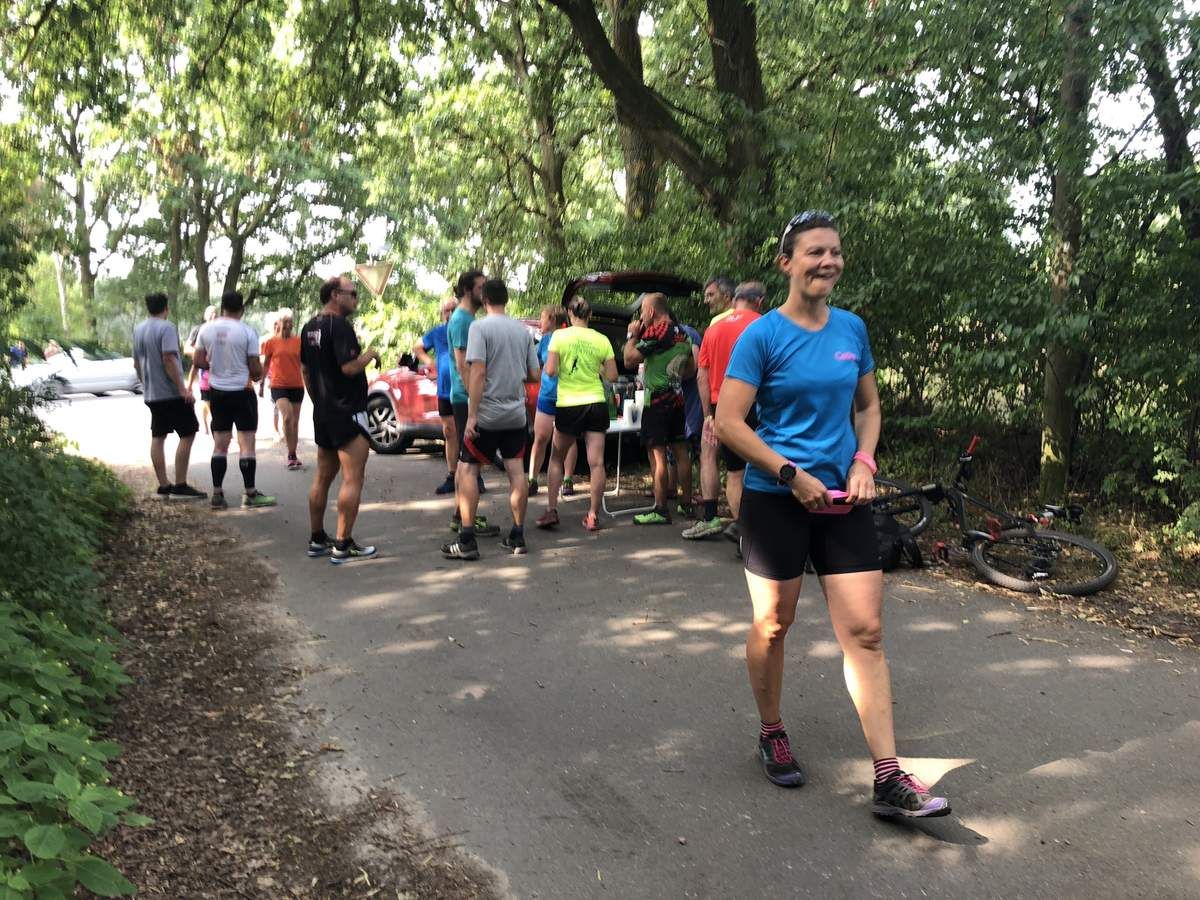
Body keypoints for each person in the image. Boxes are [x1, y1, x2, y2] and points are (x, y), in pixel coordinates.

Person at [716, 210, 949, 818]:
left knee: (866, 633)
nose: (828, 261)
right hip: (777, 501)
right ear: (786, 263)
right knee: (774, 623)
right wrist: (791, 476)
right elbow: (729, 422)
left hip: (845, 502)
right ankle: (771, 730)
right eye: (814, 251)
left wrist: (864, 460)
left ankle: (889, 778)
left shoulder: (852, 328)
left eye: (835, 252)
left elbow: (868, 408)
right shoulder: (761, 336)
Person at [442, 278, 540, 560]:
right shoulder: (522, 331)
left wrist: (472, 415)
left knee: (468, 469)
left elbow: (478, 373)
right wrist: (513, 373)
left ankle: (467, 539)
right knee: (516, 472)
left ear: (484, 300)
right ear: (506, 299)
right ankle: (517, 535)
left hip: (487, 414)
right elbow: (535, 374)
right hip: (515, 415)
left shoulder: (479, 328)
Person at [300, 275, 379, 564]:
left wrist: (318, 401)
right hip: (348, 412)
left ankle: (317, 538)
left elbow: (305, 370)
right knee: (352, 477)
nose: (356, 299)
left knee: (322, 476)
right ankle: (343, 544)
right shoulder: (340, 326)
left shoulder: (309, 327)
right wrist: (370, 354)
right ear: (335, 294)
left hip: (324, 412)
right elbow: (349, 367)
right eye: (353, 293)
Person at [682, 281, 764, 541]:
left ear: (735, 298)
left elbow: (702, 376)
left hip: (722, 407)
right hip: (758, 404)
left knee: (732, 470)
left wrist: (708, 414)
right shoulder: (765, 325)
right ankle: (756, 534)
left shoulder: (714, 329)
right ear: (760, 301)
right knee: (762, 468)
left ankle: (733, 529)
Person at [536, 295, 617, 532]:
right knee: (597, 462)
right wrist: (596, 367)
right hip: (595, 403)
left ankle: (552, 510)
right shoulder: (602, 339)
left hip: (569, 404)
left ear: (570, 314)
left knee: (556, 457)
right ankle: (592, 515)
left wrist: (563, 367)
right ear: (590, 315)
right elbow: (612, 376)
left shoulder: (559, 337)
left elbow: (550, 371)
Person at [194, 290, 276, 510]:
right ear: (242, 309)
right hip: (242, 391)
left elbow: (198, 360)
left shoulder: (206, 329)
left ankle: (217, 495)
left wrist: (216, 366)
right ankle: (249, 494)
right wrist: (256, 374)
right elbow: (255, 369)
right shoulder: (247, 332)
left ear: (222, 307)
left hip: (217, 391)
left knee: (220, 444)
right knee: (246, 444)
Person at [623, 292, 695, 525]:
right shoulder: (683, 333)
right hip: (677, 400)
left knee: (658, 455)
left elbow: (629, 360)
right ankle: (686, 504)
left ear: (652, 311)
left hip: (656, 402)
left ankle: (661, 509)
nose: (641, 316)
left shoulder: (657, 331)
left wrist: (632, 335)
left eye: (642, 311)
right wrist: (672, 377)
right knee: (681, 452)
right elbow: (691, 369)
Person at [132, 292, 206, 501]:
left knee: (158, 436)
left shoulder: (138, 330)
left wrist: (146, 384)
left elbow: (136, 363)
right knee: (188, 432)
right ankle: (180, 485)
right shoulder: (167, 328)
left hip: (152, 393)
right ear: (166, 308)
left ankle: (164, 485)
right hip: (170, 393)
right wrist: (182, 389)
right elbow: (168, 358)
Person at [446, 269, 494, 534]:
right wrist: (475, 403)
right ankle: (466, 518)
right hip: (465, 399)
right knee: (470, 463)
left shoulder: (468, 319)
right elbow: (464, 365)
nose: (484, 292)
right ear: (467, 290)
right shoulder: (463, 321)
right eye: (480, 287)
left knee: (467, 462)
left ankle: (460, 514)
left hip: (465, 399)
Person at [526, 304, 578, 498]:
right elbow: (536, 366)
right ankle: (532, 480)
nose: (540, 321)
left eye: (542, 317)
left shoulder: (570, 339)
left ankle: (568, 479)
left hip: (567, 396)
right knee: (540, 438)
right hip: (546, 396)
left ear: (552, 319)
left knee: (569, 440)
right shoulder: (545, 341)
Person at [414, 298, 459, 494]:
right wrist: (431, 363)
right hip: (444, 390)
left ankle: (474, 476)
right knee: (449, 432)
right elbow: (417, 347)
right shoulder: (438, 332)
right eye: (446, 311)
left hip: (465, 390)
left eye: (453, 309)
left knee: (467, 432)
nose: (450, 314)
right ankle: (452, 475)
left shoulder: (468, 329)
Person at [261, 309, 304, 469]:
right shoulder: (271, 342)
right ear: (278, 323)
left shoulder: (299, 341)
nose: (287, 325)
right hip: (278, 385)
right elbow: (266, 364)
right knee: (287, 417)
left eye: (290, 321)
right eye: (284, 321)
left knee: (295, 422)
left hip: (297, 385)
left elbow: (305, 364)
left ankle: (293, 454)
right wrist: (261, 384)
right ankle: (290, 455)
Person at [185, 305, 218, 434]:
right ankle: (214, 425)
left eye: (216, 313)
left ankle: (210, 422)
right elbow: (187, 348)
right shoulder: (198, 330)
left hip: (220, 373)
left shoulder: (222, 330)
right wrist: (202, 354)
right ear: (205, 316)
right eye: (211, 313)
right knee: (209, 402)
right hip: (204, 373)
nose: (214, 315)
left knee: (214, 403)